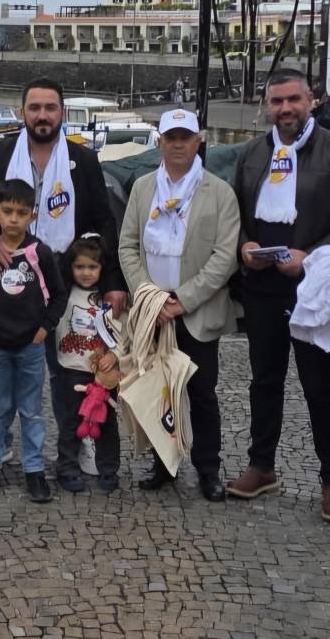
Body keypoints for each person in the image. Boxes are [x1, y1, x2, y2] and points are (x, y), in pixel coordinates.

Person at [0, 77, 126, 493]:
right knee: (5, 377)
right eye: (34, 107)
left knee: (71, 371)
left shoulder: (82, 159)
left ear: (62, 113)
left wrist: (111, 281)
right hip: (11, 280)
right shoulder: (1, 153)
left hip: (68, 281)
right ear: (23, 112)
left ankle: (77, 445)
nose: (42, 115)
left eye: (50, 108)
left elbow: (104, 221)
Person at [228, 68, 330, 522]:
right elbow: (237, 215)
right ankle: (261, 466)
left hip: (317, 289)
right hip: (263, 287)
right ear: (267, 106)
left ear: (310, 100)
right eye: (277, 101)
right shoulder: (252, 154)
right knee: (264, 382)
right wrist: (245, 246)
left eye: (293, 99)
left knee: (319, 386)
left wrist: (312, 257)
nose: (285, 109)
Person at [117, 109, 240, 502]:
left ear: (198, 141)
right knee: (159, 390)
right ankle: (163, 463)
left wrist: (182, 300)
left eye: (185, 137)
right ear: (160, 143)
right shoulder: (142, 188)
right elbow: (127, 245)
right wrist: (149, 297)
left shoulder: (219, 192)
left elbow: (225, 257)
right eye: (171, 137)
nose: (178, 144)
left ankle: (208, 469)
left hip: (196, 311)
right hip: (153, 311)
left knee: (202, 393)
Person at [0, 180, 69, 502]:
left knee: (32, 411)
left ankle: (34, 470)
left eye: (21, 213)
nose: (13, 218)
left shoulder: (39, 254)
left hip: (30, 347)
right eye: (7, 211)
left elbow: (58, 295)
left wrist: (45, 329)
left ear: (32, 216)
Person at [51, 236, 123, 492]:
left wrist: (115, 355)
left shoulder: (109, 297)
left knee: (106, 422)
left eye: (92, 267)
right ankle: (67, 468)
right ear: (70, 267)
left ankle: (108, 469)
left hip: (103, 372)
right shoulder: (63, 294)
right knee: (70, 421)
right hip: (70, 369)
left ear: (102, 268)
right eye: (80, 267)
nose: (86, 272)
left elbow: (122, 330)